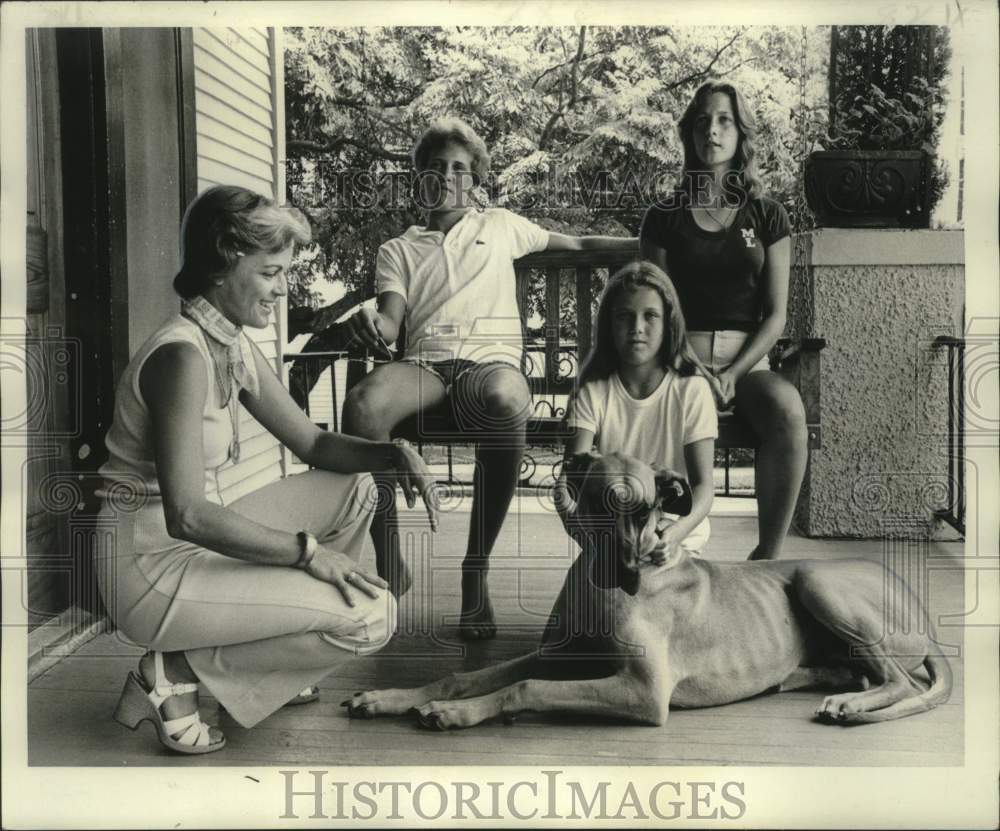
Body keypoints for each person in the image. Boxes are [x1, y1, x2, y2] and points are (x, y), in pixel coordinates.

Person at [97, 185, 438, 755]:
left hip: (186, 542)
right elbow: (187, 515)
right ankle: (174, 671)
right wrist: (309, 553)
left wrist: (391, 453)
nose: (283, 290)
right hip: (146, 564)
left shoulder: (227, 344)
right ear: (226, 259)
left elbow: (312, 442)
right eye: (271, 272)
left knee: (357, 489)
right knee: (372, 618)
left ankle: (279, 644)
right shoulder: (181, 357)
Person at [341, 117, 636, 639]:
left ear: (475, 179)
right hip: (426, 369)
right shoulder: (400, 248)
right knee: (363, 404)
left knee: (504, 396)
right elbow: (390, 319)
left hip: (490, 369)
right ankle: (388, 554)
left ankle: (475, 570)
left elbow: (573, 243)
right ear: (421, 180)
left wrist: (644, 246)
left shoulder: (500, 225)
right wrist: (371, 325)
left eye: (460, 168)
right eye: (436, 168)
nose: (448, 176)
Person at [639, 79, 807, 560]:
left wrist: (732, 374)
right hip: (675, 357)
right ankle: (667, 549)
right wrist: (690, 364)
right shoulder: (664, 217)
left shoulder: (768, 215)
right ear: (690, 134)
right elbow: (656, 308)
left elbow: (776, 315)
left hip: (747, 362)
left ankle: (768, 559)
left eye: (724, 120)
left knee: (787, 410)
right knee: (663, 406)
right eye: (702, 121)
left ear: (740, 134)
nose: (711, 130)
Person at [557, 261, 717, 559]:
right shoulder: (594, 390)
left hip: (675, 542)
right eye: (625, 316)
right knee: (572, 605)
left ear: (668, 323)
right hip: (610, 539)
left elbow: (704, 485)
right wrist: (592, 536)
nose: (637, 328)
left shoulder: (691, 390)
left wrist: (676, 533)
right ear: (609, 325)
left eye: (650, 316)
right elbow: (572, 478)